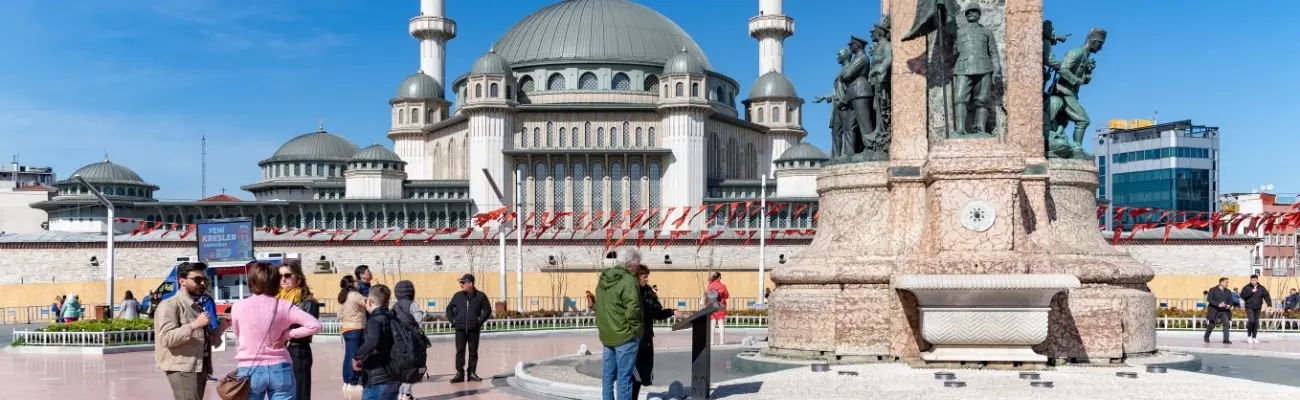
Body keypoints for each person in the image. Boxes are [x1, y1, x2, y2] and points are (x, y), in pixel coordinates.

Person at [231, 261, 323, 400]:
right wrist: (286, 335)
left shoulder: (238, 306)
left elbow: (238, 334)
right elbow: (315, 325)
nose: (283, 279)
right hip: (280, 366)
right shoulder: (284, 305)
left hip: (249, 367)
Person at [155, 262, 231, 400]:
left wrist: (223, 326)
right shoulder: (170, 305)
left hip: (199, 367)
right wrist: (194, 325)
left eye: (204, 280)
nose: (202, 283)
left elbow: (208, 340)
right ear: (182, 281)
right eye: (197, 279)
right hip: (182, 367)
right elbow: (165, 338)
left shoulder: (197, 306)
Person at [595, 247, 643, 400]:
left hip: (608, 335)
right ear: (630, 265)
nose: (637, 270)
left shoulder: (603, 279)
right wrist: (638, 330)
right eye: (637, 266)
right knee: (624, 379)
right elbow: (633, 310)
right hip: (625, 336)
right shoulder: (629, 280)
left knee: (608, 377)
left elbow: (599, 307)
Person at [629, 264, 682, 400]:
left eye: (647, 277)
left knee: (640, 373)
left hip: (645, 338)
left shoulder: (648, 292)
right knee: (630, 373)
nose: (646, 279)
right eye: (644, 277)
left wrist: (671, 311)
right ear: (636, 277)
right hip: (631, 337)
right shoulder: (629, 292)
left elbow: (656, 313)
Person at [278, 262, 321, 400]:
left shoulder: (307, 302)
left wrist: (286, 335)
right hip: (279, 351)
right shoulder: (277, 299)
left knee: (300, 393)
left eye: (287, 275)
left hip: (297, 350)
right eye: (280, 276)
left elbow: (310, 328)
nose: (283, 279)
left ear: (298, 278)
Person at [353, 284, 399, 400]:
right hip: (394, 374)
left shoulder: (375, 320)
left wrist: (357, 356)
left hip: (377, 377)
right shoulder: (393, 318)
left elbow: (372, 341)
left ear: (369, 301)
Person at [446, 274, 491, 383]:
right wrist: (453, 320)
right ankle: (459, 374)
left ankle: (471, 373)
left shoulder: (480, 296)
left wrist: (479, 321)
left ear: (470, 283)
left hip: (473, 330)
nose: (460, 284)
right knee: (460, 351)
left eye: (463, 282)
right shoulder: (457, 296)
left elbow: (487, 310)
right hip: (460, 329)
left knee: (473, 352)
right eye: (460, 282)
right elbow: (449, 309)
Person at [393, 281, 426, 400]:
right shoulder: (412, 304)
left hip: (398, 340)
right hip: (412, 340)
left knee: (401, 366)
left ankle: (401, 393)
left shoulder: (395, 305)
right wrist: (424, 314)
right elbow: (419, 320)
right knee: (412, 365)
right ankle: (407, 393)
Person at [339, 275, 368, 391]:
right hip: (356, 328)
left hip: (346, 329)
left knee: (348, 356)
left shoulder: (343, 296)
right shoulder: (355, 295)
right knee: (354, 356)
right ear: (351, 283)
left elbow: (339, 315)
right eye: (356, 281)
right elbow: (368, 304)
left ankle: (346, 382)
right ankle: (353, 382)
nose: (358, 283)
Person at [1239, 274, 1272, 344]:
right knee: (1251, 321)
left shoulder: (1261, 288)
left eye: (1254, 280)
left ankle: (1254, 337)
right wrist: (1251, 292)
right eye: (1251, 280)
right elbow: (1242, 296)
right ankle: (1249, 337)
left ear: (1257, 280)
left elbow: (1266, 296)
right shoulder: (1247, 287)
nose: (1253, 281)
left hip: (1258, 307)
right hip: (1249, 307)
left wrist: (1269, 305)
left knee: (1256, 322)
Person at [1204, 277, 1234, 344]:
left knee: (1226, 324)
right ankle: (1206, 336)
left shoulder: (1228, 291)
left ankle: (1226, 339)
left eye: (1227, 282)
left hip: (1224, 311)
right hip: (1214, 310)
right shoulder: (1213, 290)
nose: (1227, 284)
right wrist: (1218, 304)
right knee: (1212, 324)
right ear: (1221, 282)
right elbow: (1209, 299)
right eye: (1226, 282)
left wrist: (1229, 305)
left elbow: (1231, 301)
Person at [707, 272, 730, 345]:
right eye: (721, 277)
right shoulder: (723, 286)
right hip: (721, 306)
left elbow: (708, 296)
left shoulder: (710, 285)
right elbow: (727, 296)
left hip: (712, 306)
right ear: (719, 277)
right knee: (721, 325)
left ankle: (712, 342)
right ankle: (722, 342)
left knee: (712, 325)